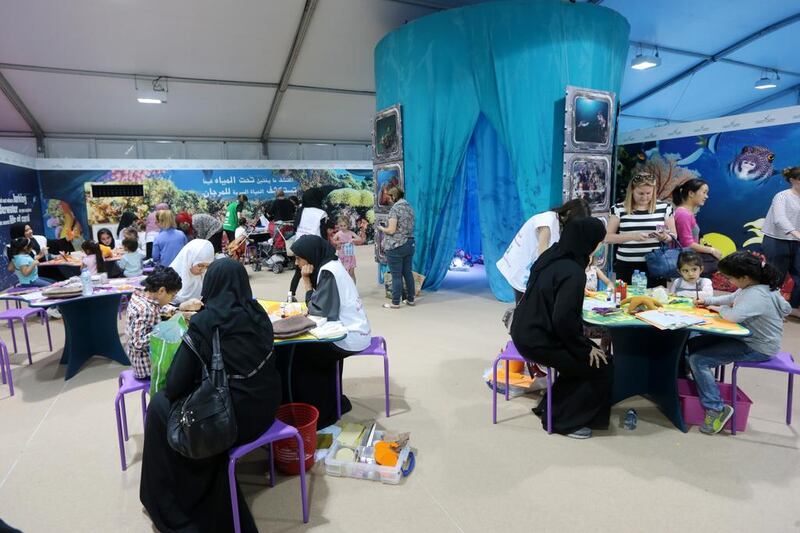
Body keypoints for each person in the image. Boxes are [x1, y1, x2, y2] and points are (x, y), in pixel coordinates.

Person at [140, 259, 282, 533]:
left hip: (229, 420)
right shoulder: (258, 313)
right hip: (265, 410)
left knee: (159, 405)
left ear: (211, 285)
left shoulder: (206, 322)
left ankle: (167, 498)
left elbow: (174, 385)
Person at [510, 217, 611, 438]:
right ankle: (564, 422)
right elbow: (563, 320)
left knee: (586, 359)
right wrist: (584, 349)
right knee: (600, 365)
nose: (601, 246)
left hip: (524, 330)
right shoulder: (573, 272)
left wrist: (582, 346)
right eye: (599, 241)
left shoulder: (551, 255)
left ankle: (549, 409)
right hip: (538, 339)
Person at [689, 252, 790, 434]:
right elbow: (731, 298)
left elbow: (732, 314)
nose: (729, 281)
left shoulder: (757, 295)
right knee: (693, 343)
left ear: (744, 277)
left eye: (730, 278)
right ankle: (699, 382)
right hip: (747, 337)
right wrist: (707, 301)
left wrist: (720, 309)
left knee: (698, 359)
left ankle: (716, 409)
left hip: (758, 346)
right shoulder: (753, 286)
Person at [277, 235, 371, 427]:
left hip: (347, 337)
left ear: (310, 257)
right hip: (352, 330)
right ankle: (331, 401)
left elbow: (318, 312)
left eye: (298, 258)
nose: (296, 263)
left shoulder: (328, 271)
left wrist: (306, 283)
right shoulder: (330, 265)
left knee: (296, 351)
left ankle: (318, 412)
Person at [498, 198, 591, 303]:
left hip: (532, 267)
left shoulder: (561, 225)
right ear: (569, 213)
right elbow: (543, 257)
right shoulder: (547, 221)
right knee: (525, 307)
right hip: (521, 266)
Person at [605, 172, 676, 286]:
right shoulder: (618, 209)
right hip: (626, 264)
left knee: (656, 299)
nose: (645, 197)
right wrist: (633, 236)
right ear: (632, 190)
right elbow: (607, 237)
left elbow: (673, 236)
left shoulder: (665, 208)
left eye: (648, 193)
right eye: (640, 193)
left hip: (655, 264)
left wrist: (664, 237)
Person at [125, 266, 182, 379]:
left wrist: (177, 310)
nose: (172, 299)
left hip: (140, 358)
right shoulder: (145, 310)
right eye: (172, 295)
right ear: (161, 291)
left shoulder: (142, 294)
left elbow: (158, 308)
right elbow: (138, 343)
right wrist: (163, 330)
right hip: (146, 367)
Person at [761, 166, 800, 311]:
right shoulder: (782, 196)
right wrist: (795, 233)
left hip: (797, 243)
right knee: (776, 276)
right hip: (776, 240)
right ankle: (768, 308)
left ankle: (794, 308)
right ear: (792, 180)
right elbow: (779, 218)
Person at [376, 185, 416, 309]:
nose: (388, 199)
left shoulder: (395, 209)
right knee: (407, 273)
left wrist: (381, 228)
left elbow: (391, 230)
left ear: (394, 196)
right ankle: (410, 299)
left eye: (389, 197)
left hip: (396, 245)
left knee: (396, 275)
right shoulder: (409, 208)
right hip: (410, 243)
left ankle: (395, 302)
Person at [673, 178, 721, 274]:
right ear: (691, 193)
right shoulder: (683, 214)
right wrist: (711, 250)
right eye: (704, 192)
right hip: (685, 266)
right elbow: (687, 243)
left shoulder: (686, 213)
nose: (706, 196)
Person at [288, 188, 329, 298]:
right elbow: (323, 233)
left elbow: (295, 227)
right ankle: (318, 297)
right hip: (314, 247)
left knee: (298, 272)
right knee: (317, 272)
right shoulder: (321, 213)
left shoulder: (302, 210)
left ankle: (291, 294)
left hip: (300, 245)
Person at [170, 239, 215, 304]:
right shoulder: (170, 277)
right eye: (200, 265)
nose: (203, 270)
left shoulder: (205, 277)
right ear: (190, 259)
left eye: (207, 267)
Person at [333, 216, 366, 282]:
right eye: (341, 226)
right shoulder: (338, 233)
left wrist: (353, 239)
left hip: (350, 255)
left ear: (348, 225)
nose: (343, 227)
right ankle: (346, 287)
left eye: (344, 225)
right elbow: (333, 241)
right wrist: (338, 242)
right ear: (338, 225)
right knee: (343, 273)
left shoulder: (350, 233)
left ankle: (353, 287)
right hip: (342, 255)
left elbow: (359, 239)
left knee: (351, 273)